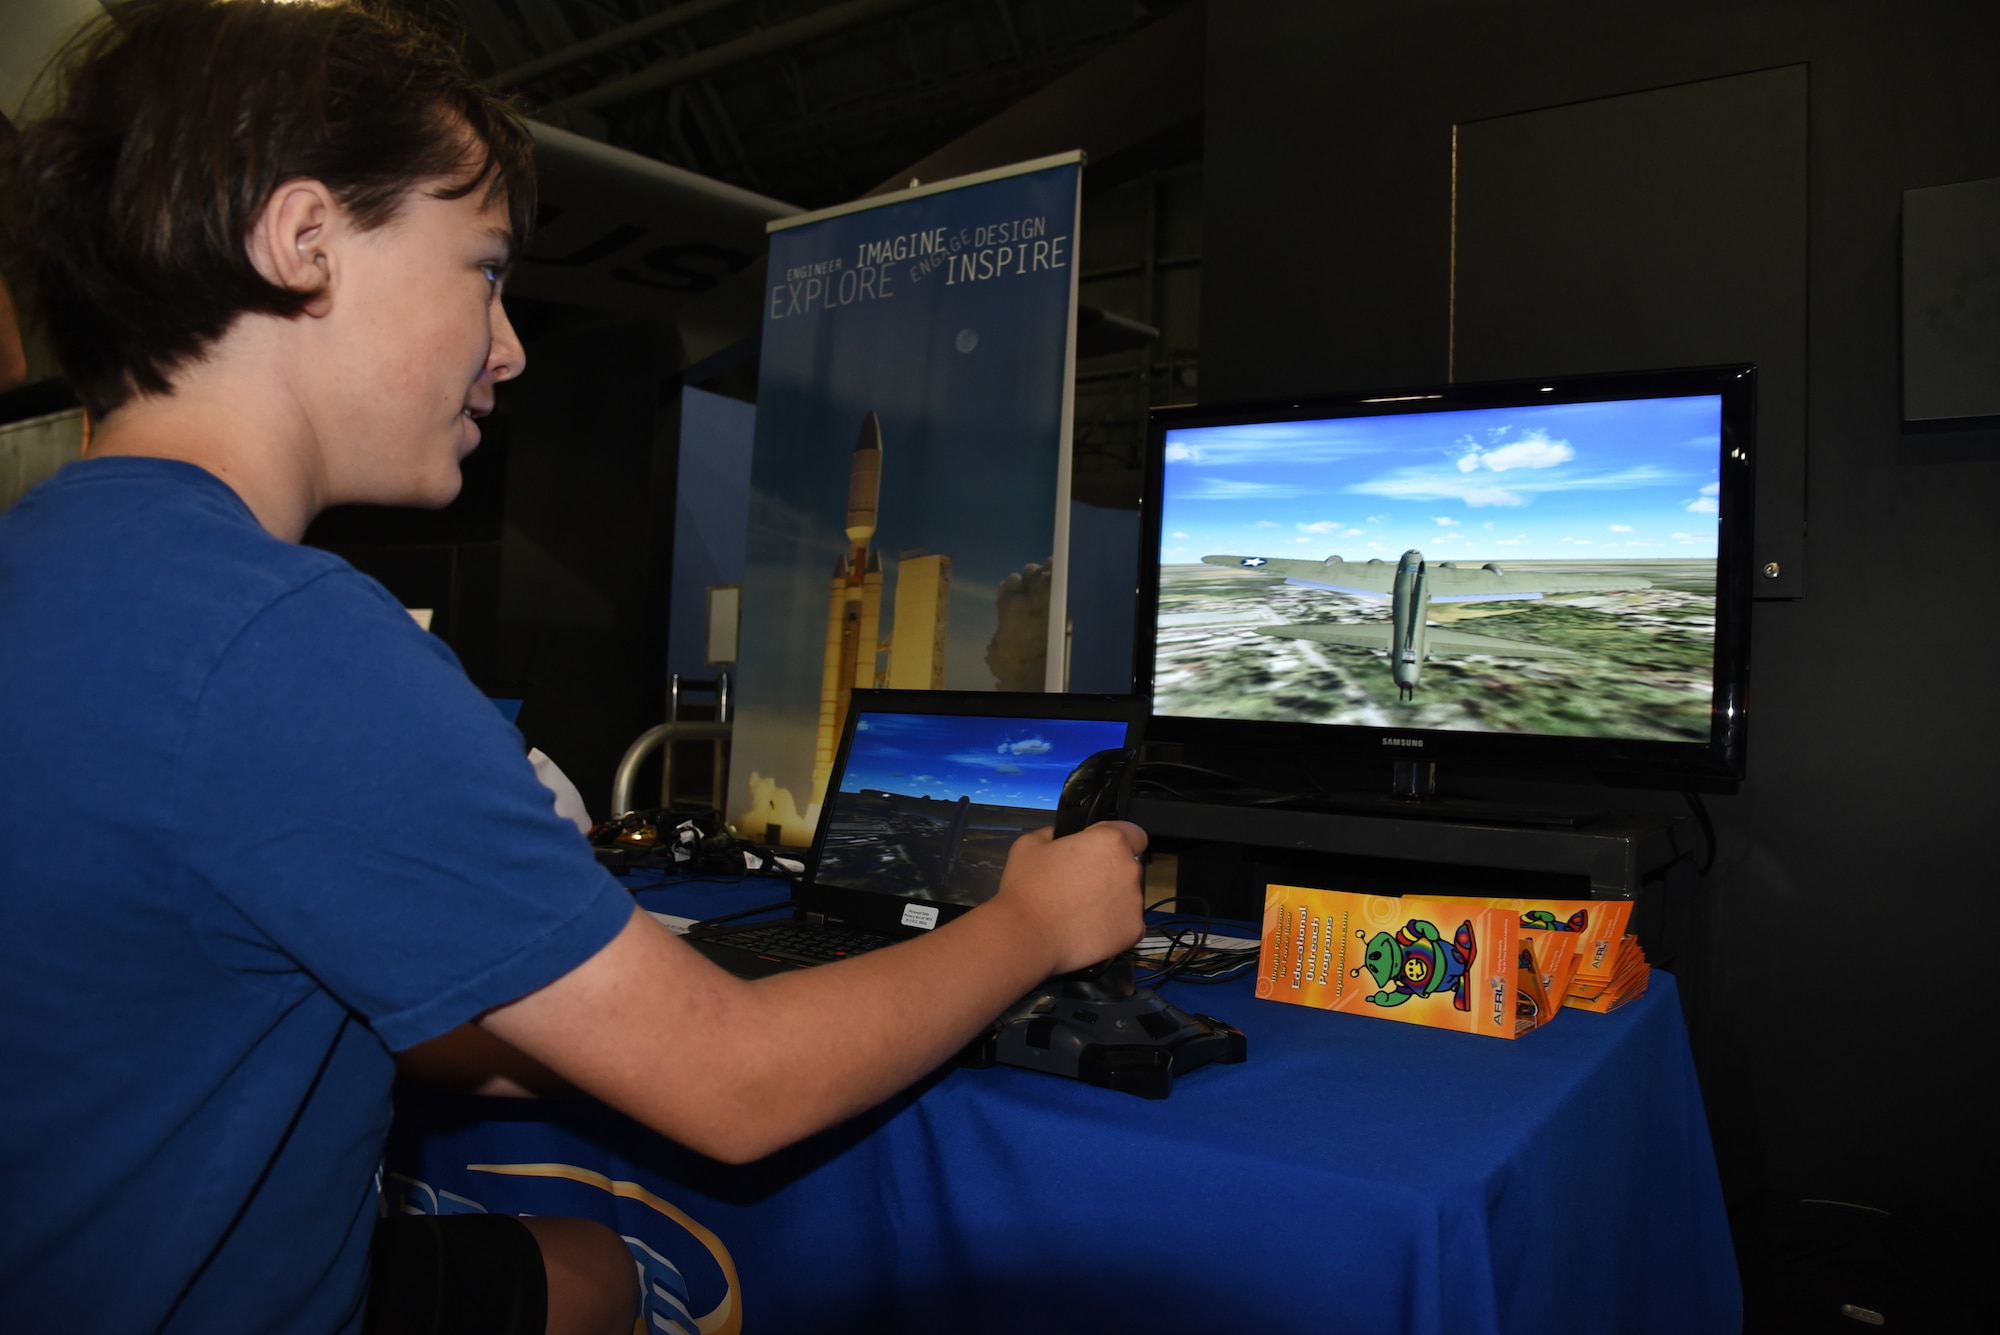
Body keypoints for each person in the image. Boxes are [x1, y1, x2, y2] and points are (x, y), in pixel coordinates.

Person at [0, 4, 1147, 1334]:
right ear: (301, 238)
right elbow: (738, 1089)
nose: (510, 346)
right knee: (673, 1282)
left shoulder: (50, 569)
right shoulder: (293, 641)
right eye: (482, 270)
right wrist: (1035, 925)